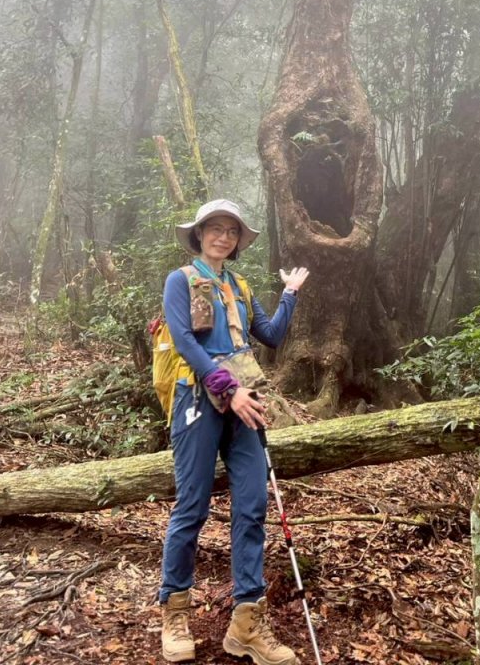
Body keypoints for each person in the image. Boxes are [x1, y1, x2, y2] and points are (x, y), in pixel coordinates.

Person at [158, 198, 309, 665]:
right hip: (199, 401)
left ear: (239, 241)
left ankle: (246, 623)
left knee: (252, 504)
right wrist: (228, 387)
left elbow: (271, 335)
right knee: (192, 504)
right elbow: (183, 339)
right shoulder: (180, 280)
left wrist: (290, 294)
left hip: (244, 405)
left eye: (231, 231)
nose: (223, 236)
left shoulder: (239, 285)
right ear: (199, 234)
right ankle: (174, 610)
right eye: (214, 229)